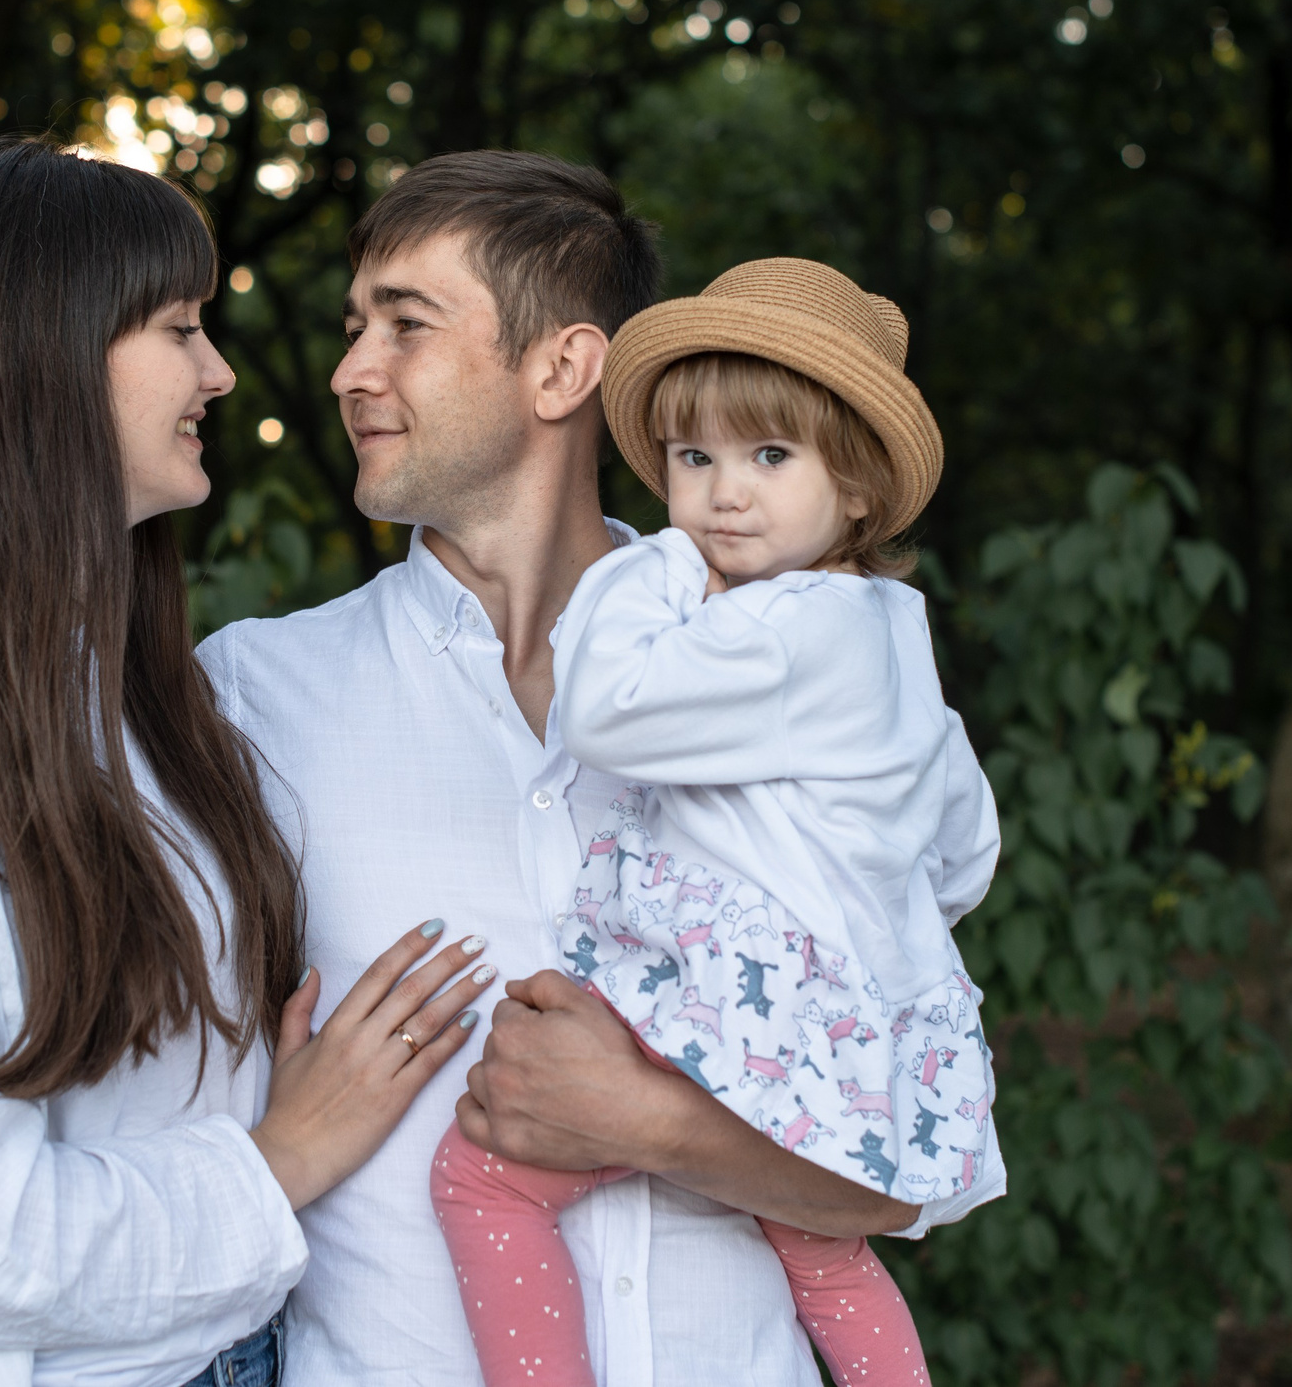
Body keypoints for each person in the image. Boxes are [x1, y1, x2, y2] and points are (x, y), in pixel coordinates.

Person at [0, 138, 495, 1387]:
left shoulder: (145, 702)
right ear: (40, 357)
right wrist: (281, 1156)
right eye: (178, 328)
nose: (220, 372)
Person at [197, 153, 926, 1387]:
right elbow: (168, 1130)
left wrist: (643, 1122)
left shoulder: (801, 673)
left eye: (405, 324)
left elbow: (911, 1150)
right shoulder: (250, 695)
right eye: (351, 325)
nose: (348, 369)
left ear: (562, 367)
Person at [427, 258, 1004, 1387]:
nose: (722, 494)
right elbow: (963, 849)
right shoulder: (893, 635)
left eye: (769, 456)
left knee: (483, 1177)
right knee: (820, 1243)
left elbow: (604, 707)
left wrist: (653, 561)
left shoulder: (777, 621)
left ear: (857, 489)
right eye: (695, 460)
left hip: (729, 988)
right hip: (837, 1009)